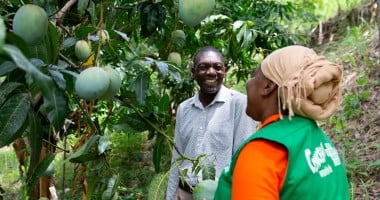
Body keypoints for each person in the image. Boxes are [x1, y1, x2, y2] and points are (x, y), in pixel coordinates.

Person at [214, 45, 350, 199]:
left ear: (267, 86)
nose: (248, 84)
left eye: (254, 76)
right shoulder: (315, 136)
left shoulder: (262, 152)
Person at [165, 46, 257, 200]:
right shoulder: (184, 108)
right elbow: (177, 157)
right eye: (204, 67)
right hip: (184, 193)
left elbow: (243, 159)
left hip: (218, 195)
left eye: (217, 67)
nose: (211, 72)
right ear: (193, 71)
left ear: (224, 71)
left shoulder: (239, 104)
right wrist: (170, 196)